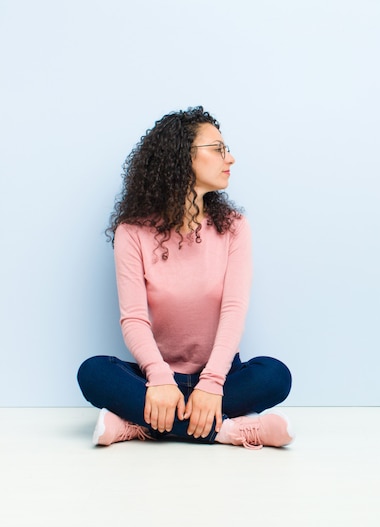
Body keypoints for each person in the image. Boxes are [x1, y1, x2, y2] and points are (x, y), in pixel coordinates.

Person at [77, 106, 293, 449]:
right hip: (156, 379)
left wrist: (212, 382)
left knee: (275, 376)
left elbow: (233, 311)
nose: (231, 158)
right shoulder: (131, 232)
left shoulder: (234, 227)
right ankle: (227, 431)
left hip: (222, 376)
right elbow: (133, 318)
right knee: (93, 372)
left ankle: (141, 425)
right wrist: (160, 378)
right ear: (181, 156)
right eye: (218, 149)